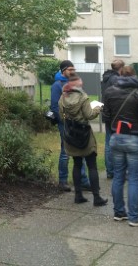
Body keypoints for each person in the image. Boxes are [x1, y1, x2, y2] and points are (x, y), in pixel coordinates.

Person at [102, 65, 138, 227]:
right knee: (133, 179)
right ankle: (134, 217)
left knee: (118, 176)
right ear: (134, 76)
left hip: (116, 137)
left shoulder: (109, 91)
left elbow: (106, 116)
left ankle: (118, 212)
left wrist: (114, 128)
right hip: (134, 138)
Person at [59, 73, 107, 206]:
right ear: (77, 84)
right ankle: (97, 198)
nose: (82, 83)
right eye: (81, 82)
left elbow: (61, 114)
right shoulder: (83, 97)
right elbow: (89, 115)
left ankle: (78, 195)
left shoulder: (63, 96)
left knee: (76, 164)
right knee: (92, 165)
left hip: (71, 134)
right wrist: (98, 108)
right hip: (84, 134)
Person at [50, 60, 90, 192]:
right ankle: (63, 181)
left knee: (80, 151)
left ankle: (83, 181)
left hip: (78, 123)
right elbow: (55, 107)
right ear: (63, 71)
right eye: (70, 69)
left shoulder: (75, 83)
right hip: (66, 124)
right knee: (65, 152)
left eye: (73, 69)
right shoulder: (57, 85)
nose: (72, 71)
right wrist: (65, 121)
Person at [101, 59, 125, 179]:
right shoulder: (116, 79)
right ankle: (116, 171)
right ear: (121, 68)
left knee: (108, 143)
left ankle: (110, 170)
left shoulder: (105, 78)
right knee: (116, 144)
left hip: (107, 114)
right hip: (115, 115)